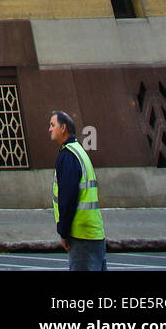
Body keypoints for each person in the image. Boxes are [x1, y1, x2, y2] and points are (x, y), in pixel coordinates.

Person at [48, 110, 106, 271]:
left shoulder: (68, 156)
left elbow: (67, 198)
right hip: (93, 232)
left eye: (53, 125)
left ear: (63, 128)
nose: (49, 129)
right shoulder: (79, 151)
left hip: (81, 234)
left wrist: (63, 231)